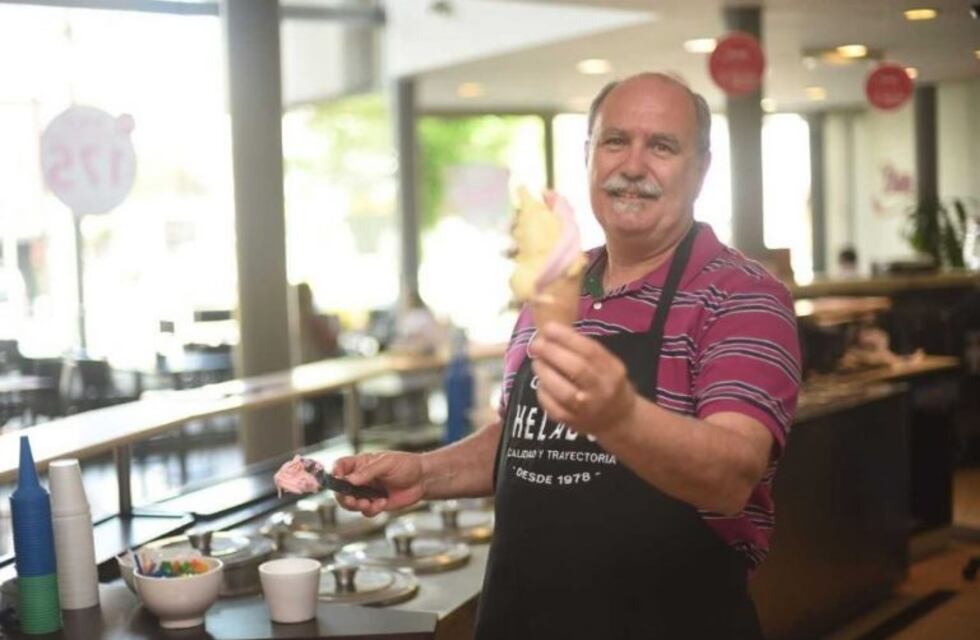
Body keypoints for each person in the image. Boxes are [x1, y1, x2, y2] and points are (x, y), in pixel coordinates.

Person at [333, 72, 801, 638]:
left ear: (700, 168)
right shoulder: (556, 286)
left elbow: (730, 476)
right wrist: (426, 474)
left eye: (662, 146)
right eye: (615, 141)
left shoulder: (742, 296)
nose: (633, 164)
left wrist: (619, 416)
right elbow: (526, 438)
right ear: (589, 157)